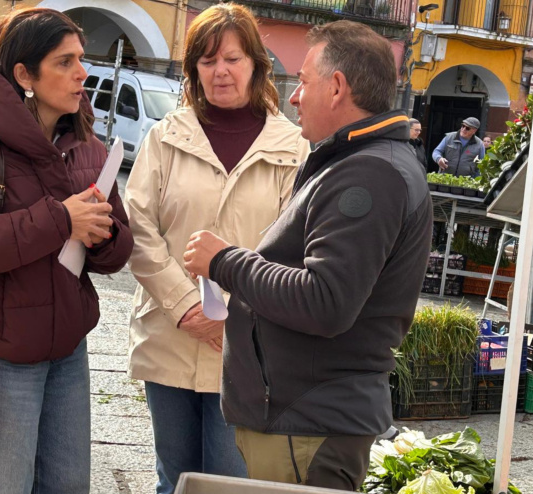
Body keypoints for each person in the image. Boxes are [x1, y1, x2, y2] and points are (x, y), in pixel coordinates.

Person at [182, 20, 433, 490]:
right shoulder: (361, 163)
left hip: (307, 426)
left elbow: (325, 301)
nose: (294, 96)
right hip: (303, 421)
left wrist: (225, 263)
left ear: (337, 87)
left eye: (302, 80)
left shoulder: (368, 176)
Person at [0, 8, 133, 493]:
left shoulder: (87, 146)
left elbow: (118, 249)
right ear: (24, 75)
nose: (82, 73)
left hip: (67, 352)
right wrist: (60, 219)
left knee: (66, 486)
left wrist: (102, 233)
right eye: (64, 62)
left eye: (81, 59)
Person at [124, 4, 309, 493]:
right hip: (169, 334)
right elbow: (138, 228)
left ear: (255, 63)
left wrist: (231, 312)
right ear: (193, 71)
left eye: (231, 58)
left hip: (246, 346)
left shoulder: (292, 148)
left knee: (228, 482)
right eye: (206, 61)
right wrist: (186, 306)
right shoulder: (165, 137)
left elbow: (293, 250)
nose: (220, 71)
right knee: (174, 478)